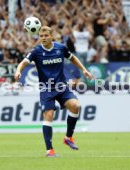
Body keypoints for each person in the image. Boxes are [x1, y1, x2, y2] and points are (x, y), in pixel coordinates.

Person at [14, 26, 93, 157]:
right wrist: (18, 71)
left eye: (46, 36)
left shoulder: (60, 48)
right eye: (41, 36)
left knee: (75, 105)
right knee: (49, 115)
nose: (43, 38)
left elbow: (72, 58)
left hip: (62, 87)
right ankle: (49, 150)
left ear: (51, 36)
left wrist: (83, 69)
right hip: (46, 89)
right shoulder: (36, 51)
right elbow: (23, 63)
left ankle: (68, 138)